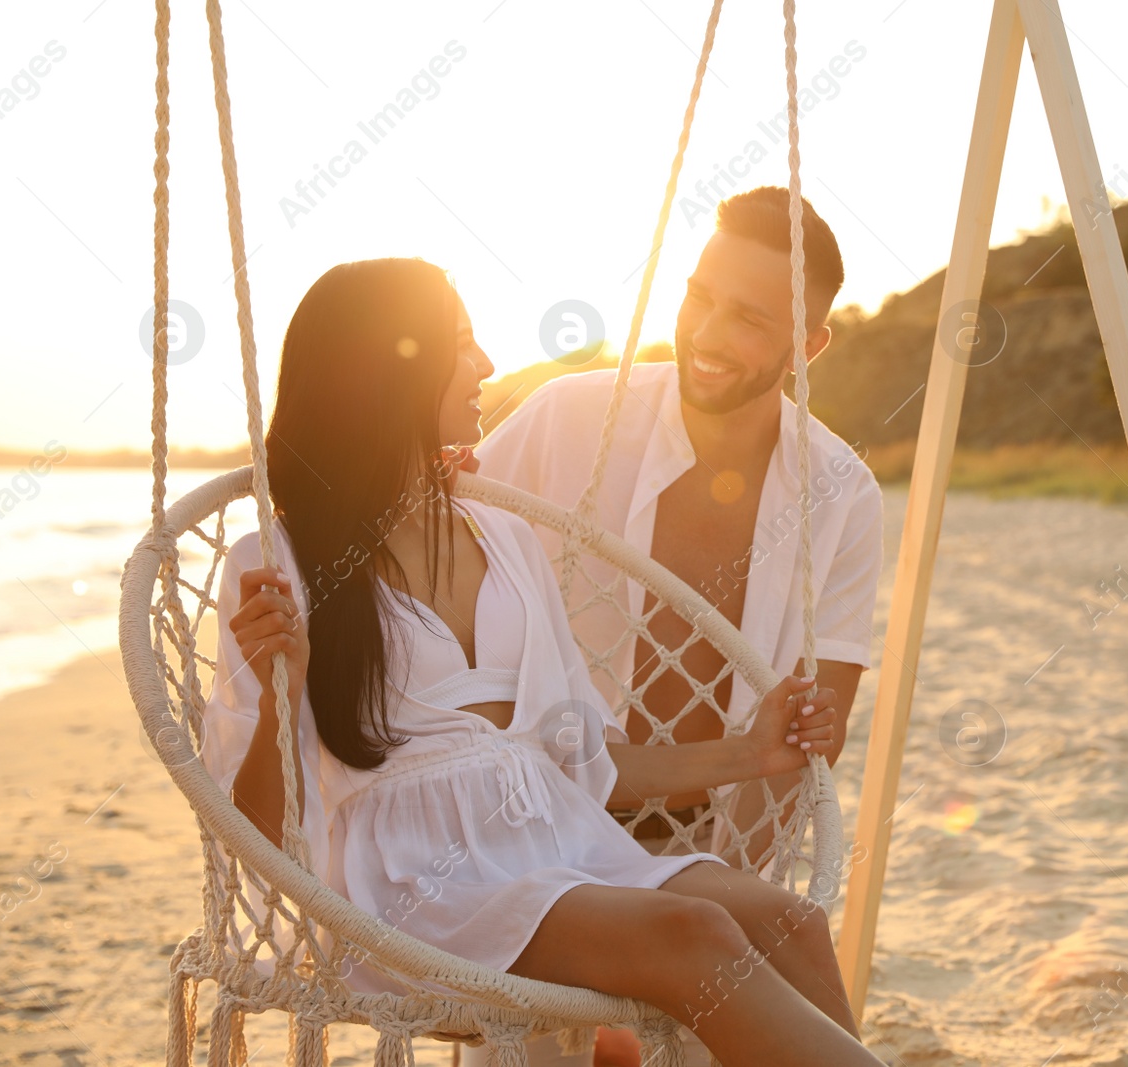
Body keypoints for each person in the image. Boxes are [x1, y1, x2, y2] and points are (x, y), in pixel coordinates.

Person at [198, 257, 886, 1067]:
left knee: (790, 922)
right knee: (692, 933)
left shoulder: (503, 536)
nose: (487, 364)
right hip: (419, 882)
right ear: (393, 368)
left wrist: (748, 753)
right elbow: (252, 827)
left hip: (558, 838)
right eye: (462, 344)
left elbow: (578, 759)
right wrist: (284, 685)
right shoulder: (280, 558)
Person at [474, 187, 883, 1066]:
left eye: (746, 316)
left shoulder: (842, 494)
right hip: (538, 834)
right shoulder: (569, 420)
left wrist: (732, 880)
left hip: (709, 848)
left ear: (808, 345)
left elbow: (819, 731)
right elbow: (423, 531)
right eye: (699, 295)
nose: (703, 333)